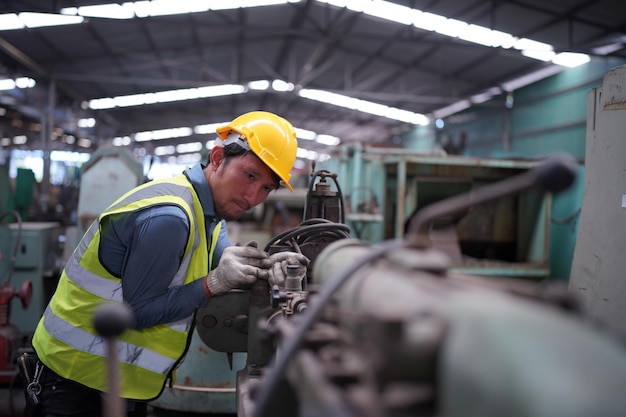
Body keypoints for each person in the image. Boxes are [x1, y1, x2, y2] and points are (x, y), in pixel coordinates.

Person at [24, 111, 310, 417]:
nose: (254, 196)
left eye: (266, 187)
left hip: (114, 383)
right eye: (250, 175)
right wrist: (213, 283)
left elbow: (225, 257)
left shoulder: (208, 213)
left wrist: (269, 266)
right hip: (74, 383)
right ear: (217, 158)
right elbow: (137, 312)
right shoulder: (169, 219)